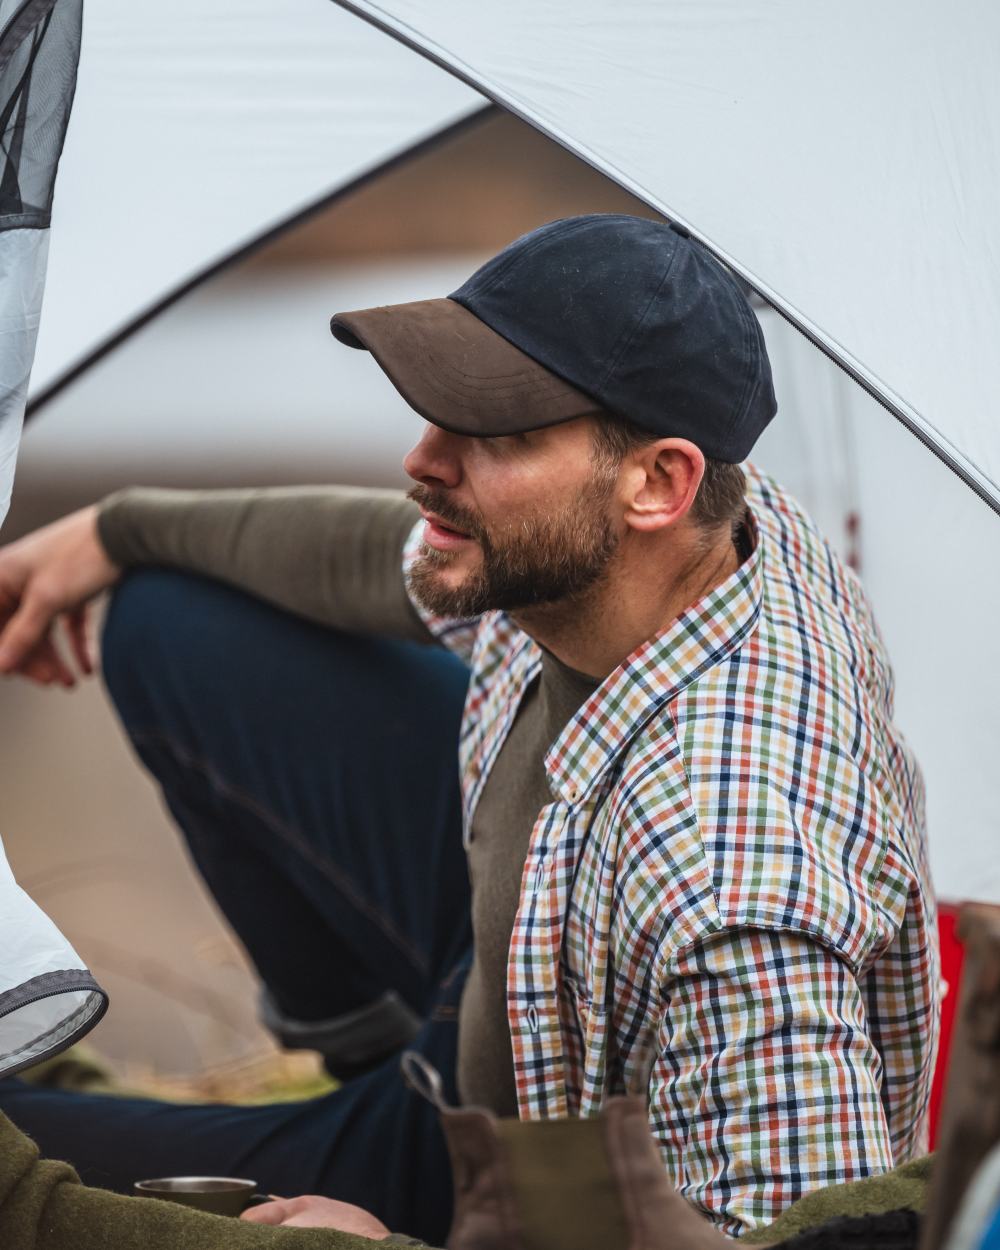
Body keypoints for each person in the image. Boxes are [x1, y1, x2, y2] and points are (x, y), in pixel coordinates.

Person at [0, 215, 938, 1243]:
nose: (420, 456)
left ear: (657, 482)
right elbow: (378, 557)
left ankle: (371, 1148)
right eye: (438, 409)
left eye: (496, 430)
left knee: (20, 1146)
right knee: (169, 617)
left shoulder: (731, 891)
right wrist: (111, 530)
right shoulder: (707, 529)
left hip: (531, 1187)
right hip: (512, 985)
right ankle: (359, 1055)